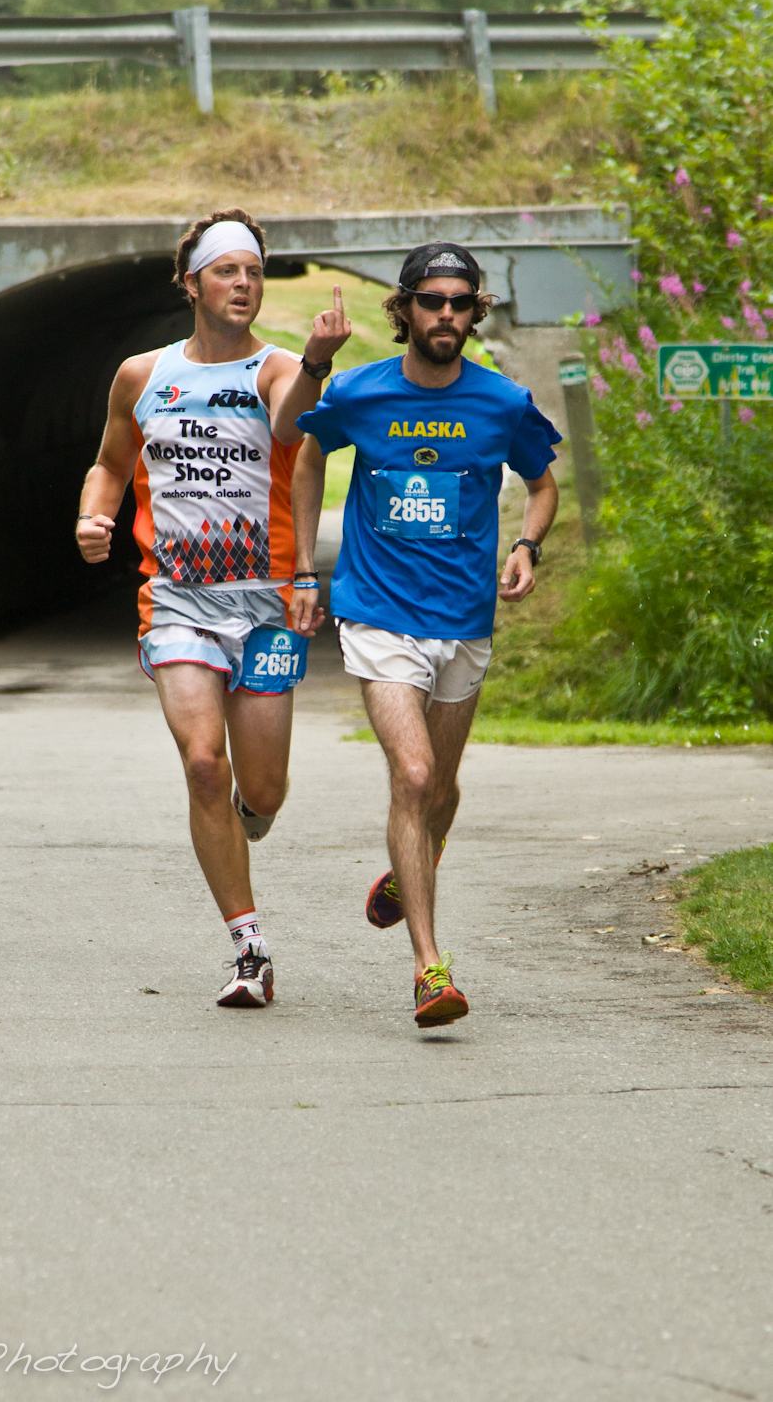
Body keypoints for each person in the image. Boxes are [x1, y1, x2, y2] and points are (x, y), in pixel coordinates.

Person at [276, 241, 560, 1027]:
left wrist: (526, 546)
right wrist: (304, 569)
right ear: (403, 309)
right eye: (431, 301)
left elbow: (541, 485)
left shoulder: (502, 403)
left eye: (460, 303)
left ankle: (415, 865)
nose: (446, 315)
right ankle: (429, 967)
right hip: (377, 614)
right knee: (411, 773)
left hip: (463, 621)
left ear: (475, 313)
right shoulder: (361, 392)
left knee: (440, 787)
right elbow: (301, 455)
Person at [76, 209, 316, 1007]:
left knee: (265, 792)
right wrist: (93, 513)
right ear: (191, 284)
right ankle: (248, 947)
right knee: (202, 764)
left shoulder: (280, 370)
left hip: (268, 609)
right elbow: (110, 463)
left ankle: (249, 810)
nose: (242, 283)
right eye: (226, 271)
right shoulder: (141, 376)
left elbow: (290, 422)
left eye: (252, 271)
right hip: (176, 603)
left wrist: (314, 365)